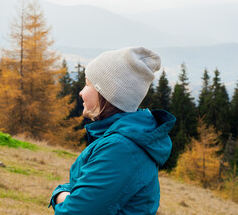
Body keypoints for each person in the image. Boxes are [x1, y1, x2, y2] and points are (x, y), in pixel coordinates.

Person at [49, 47, 176, 215]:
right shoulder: (121, 141)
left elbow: (75, 211)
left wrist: (59, 194)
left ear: (106, 94)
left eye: (87, 84)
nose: (81, 92)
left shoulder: (121, 149)